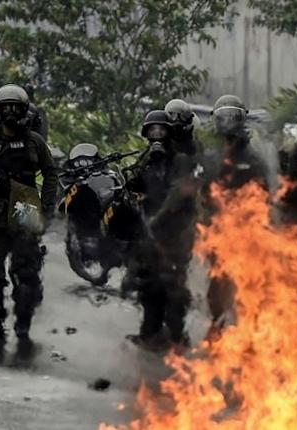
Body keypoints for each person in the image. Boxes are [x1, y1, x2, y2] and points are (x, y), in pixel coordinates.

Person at [0, 84, 58, 340]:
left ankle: (23, 327)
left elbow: (50, 174)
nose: (11, 113)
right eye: (6, 108)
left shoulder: (33, 142)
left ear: (24, 110)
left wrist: (46, 207)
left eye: (16, 108)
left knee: (25, 272)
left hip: (24, 212)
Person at [201, 94, 280, 340]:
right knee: (216, 286)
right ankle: (217, 326)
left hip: (247, 232)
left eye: (230, 117)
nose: (226, 122)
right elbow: (204, 194)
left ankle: (250, 333)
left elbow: (265, 196)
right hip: (218, 231)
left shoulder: (253, 159)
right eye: (221, 117)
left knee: (249, 284)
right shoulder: (212, 158)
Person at [122, 108, 199, 349]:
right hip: (149, 234)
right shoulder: (147, 159)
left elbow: (178, 195)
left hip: (175, 233)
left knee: (174, 287)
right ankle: (150, 333)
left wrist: (157, 219)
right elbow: (132, 184)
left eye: (161, 130)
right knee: (148, 286)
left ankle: (176, 336)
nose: (157, 135)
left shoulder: (180, 160)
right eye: (152, 131)